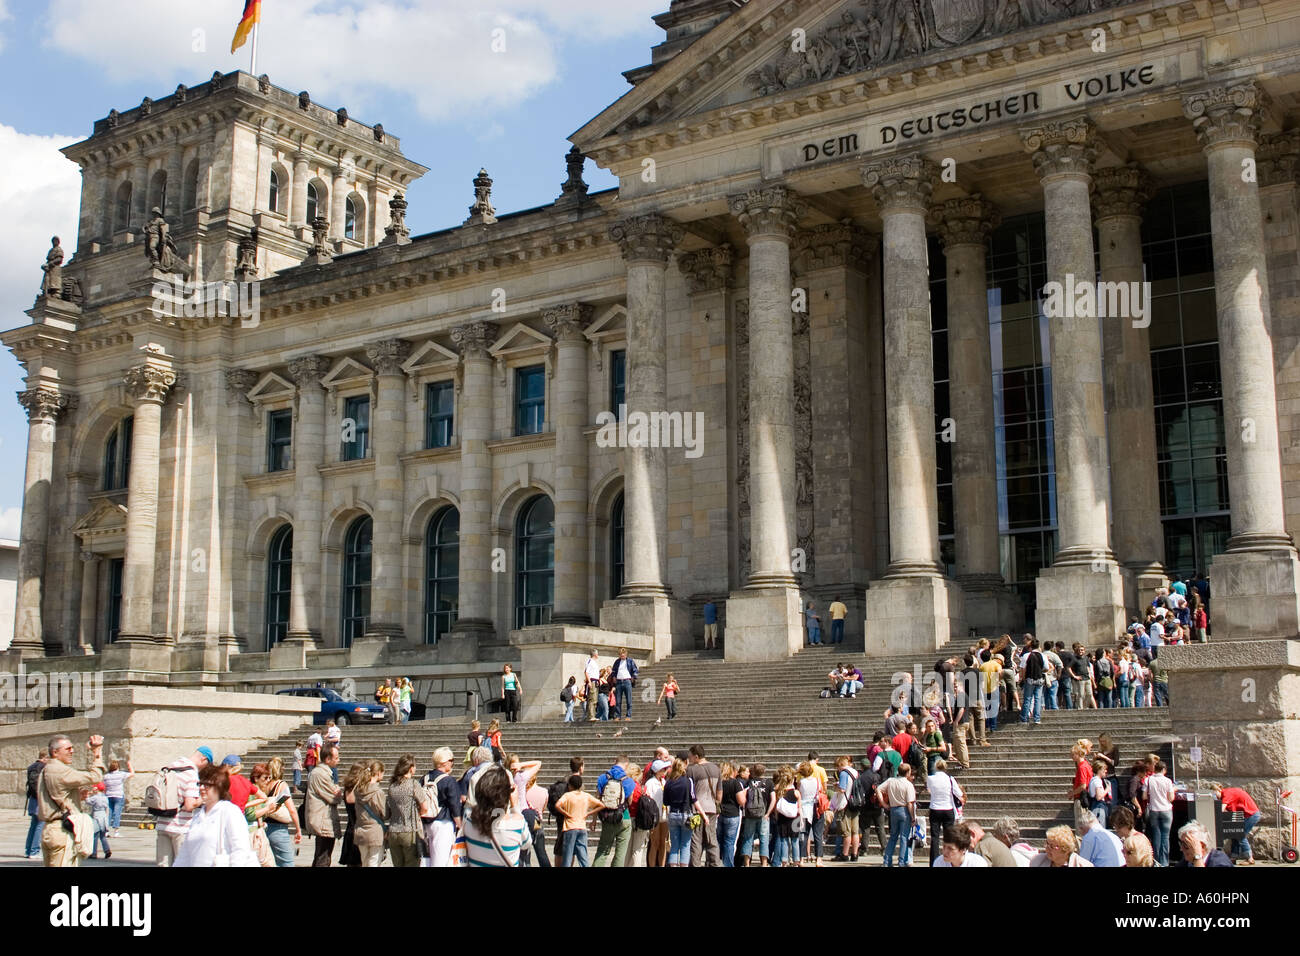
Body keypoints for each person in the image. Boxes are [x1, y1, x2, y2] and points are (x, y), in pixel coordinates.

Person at [173, 765, 258, 867]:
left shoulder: (230, 812)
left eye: (207, 785)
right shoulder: (198, 817)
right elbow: (185, 854)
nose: (201, 788)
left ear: (219, 787)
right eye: (200, 784)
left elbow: (240, 849)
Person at [462, 765, 532, 866]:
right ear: (506, 795)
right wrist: (515, 807)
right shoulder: (517, 824)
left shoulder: (468, 820)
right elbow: (526, 844)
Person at [155, 746, 212, 867]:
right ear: (204, 759)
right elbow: (189, 805)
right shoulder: (191, 773)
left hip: (162, 822)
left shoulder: (170, 767)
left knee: (162, 865)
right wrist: (204, 798)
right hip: (180, 827)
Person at [251, 758, 302, 867]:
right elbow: (292, 810)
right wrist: (298, 829)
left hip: (264, 827)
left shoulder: (264, 784)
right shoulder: (281, 785)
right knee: (287, 863)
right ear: (280, 768)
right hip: (279, 830)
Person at [385, 753, 429, 867]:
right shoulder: (413, 784)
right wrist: (419, 814)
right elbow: (425, 807)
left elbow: (387, 811)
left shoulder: (392, 786)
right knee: (412, 863)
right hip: (409, 830)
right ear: (411, 768)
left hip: (393, 831)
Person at [421, 747, 462, 867]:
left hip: (426, 821)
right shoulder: (449, 781)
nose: (453, 763)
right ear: (444, 762)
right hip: (443, 823)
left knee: (427, 860)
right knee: (441, 861)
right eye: (451, 760)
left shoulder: (424, 778)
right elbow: (455, 806)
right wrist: (460, 825)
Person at [305, 742, 344, 866]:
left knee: (323, 856)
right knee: (323, 858)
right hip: (322, 822)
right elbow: (335, 798)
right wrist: (338, 793)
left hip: (324, 821)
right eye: (336, 757)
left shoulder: (324, 773)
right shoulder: (321, 774)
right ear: (327, 759)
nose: (339, 760)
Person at [593, 755, 636, 867]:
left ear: (615, 762)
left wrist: (593, 820)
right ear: (626, 765)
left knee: (603, 850)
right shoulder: (629, 781)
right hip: (624, 817)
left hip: (607, 817)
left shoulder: (603, 778)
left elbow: (596, 799)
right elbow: (630, 802)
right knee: (620, 854)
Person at [556, 774, 605, 866]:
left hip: (569, 827)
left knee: (567, 856)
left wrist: (566, 813)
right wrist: (588, 813)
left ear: (570, 785)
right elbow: (601, 805)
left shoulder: (567, 795)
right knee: (583, 856)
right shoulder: (585, 795)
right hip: (582, 828)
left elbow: (557, 805)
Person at [686, 744, 722, 866]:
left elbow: (689, 790)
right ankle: (715, 863)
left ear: (696, 756)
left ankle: (695, 864)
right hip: (712, 808)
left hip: (697, 809)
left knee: (696, 840)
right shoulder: (716, 768)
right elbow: (719, 792)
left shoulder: (691, 769)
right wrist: (716, 803)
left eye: (690, 756)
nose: (689, 758)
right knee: (712, 839)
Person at [345, 761, 385, 868]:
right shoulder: (378, 792)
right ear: (378, 773)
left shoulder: (358, 791)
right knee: (374, 862)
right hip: (375, 832)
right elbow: (385, 813)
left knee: (364, 861)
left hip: (360, 831)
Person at [1210, 783, 1261, 863]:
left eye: (1214, 794)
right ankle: (1233, 858)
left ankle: (1249, 858)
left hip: (1251, 815)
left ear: (1218, 790)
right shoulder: (1227, 794)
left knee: (1240, 834)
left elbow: (1221, 810)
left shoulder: (1226, 794)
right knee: (1234, 832)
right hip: (1247, 815)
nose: (1215, 797)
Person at [634, 758, 671, 867]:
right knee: (654, 843)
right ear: (657, 770)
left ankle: (662, 864)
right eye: (663, 769)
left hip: (664, 815)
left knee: (663, 843)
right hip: (654, 816)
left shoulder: (664, 782)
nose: (665, 770)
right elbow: (647, 799)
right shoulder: (650, 783)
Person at [926, 759, 962, 865]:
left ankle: (933, 861)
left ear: (936, 767)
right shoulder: (950, 779)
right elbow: (958, 793)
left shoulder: (930, 778)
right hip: (948, 808)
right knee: (949, 836)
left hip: (935, 808)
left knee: (934, 837)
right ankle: (950, 859)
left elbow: (930, 790)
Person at [738, 762, 774, 867]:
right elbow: (773, 799)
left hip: (750, 815)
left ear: (753, 772)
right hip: (763, 815)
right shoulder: (768, 783)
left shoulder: (748, 782)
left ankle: (746, 863)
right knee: (764, 839)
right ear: (764, 772)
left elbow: (743, 796)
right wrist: (768, 813)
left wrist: (745, 809)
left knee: (748, 838)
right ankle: (764, 863)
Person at [1142, 760, 1175, 866]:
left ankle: (1156, 861)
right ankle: (1164, 862)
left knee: (1156, 836)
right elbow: (1171, 798)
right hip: (1166, 810)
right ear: (1164, 770)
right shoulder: (1168, 781)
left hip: (1154, 810)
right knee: (1165, 837)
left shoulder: (1148, 780)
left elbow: (1144, 796)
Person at [337, 760, 366, 868]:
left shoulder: (347, 789)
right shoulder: (361, 790)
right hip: (360, 830)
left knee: (351, 864)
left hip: (350, 829)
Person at [1030, 825, 1095, 867]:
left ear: (1065, 850)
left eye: (1052, 846)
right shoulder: (1037, 861)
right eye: (1047, 843)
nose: (1047, 848)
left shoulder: (1083, 865)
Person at [25, 749, 48, 859]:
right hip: (40, 799)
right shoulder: (42, 767)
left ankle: (28, 850)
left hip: (33, 799)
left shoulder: (32, 766)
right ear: (45, 758)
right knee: (40, 825)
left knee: (33, 825)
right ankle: (34, 851)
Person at [101, 758, 133, 837]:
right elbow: (132, 773)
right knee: (117, 813)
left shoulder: (106, 776)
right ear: (118, 767)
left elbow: (104, 786)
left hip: (109, 795)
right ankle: (116, 831)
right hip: (118, 795)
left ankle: (106, 831)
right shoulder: (121, 774)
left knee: (108, 814)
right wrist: (129, 765)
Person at [1068, 740, 1094, 831]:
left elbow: (1083, 785)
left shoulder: (1082, 767)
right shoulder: (1086, 765)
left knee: (1080, 827)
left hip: (1081, 798)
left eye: (1073, 754)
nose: (1071, 757)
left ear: (1078, 754)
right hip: (1084, 797)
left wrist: (1072, 793)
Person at [611, 647, 638, 721]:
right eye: (621, 655)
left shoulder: (630, 661)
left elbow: (635, 670)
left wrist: (633, 677)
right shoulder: (617, 662)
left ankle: (628, 716)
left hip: (627, 681)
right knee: (618, 701)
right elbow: (613, 671)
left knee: (629, 700)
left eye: (623, 655)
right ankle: (618, 716)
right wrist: (613, 677)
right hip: (619, 682)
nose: (622, 656)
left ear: (626, 654)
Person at [87, 783, 111, 859]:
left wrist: (87, 794)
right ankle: (107, 850)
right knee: (102, 836)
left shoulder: (95, 797)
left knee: (95, 836)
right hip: (103, 816)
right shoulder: (105, 797)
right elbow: (107, 808)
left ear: (97, 789)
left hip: (97, 816)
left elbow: (88, 801)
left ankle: (93, 853)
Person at [583, 650, 601, 721]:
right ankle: (591, 716)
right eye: (597, 653)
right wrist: (589, 682)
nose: (598, 655)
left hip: (595, 681)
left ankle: (592, 715)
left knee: (595, 699)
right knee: (592, 699)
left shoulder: (594, 662)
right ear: (595, 654)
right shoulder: (590, 661)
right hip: (592, 681)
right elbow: (586, 672)